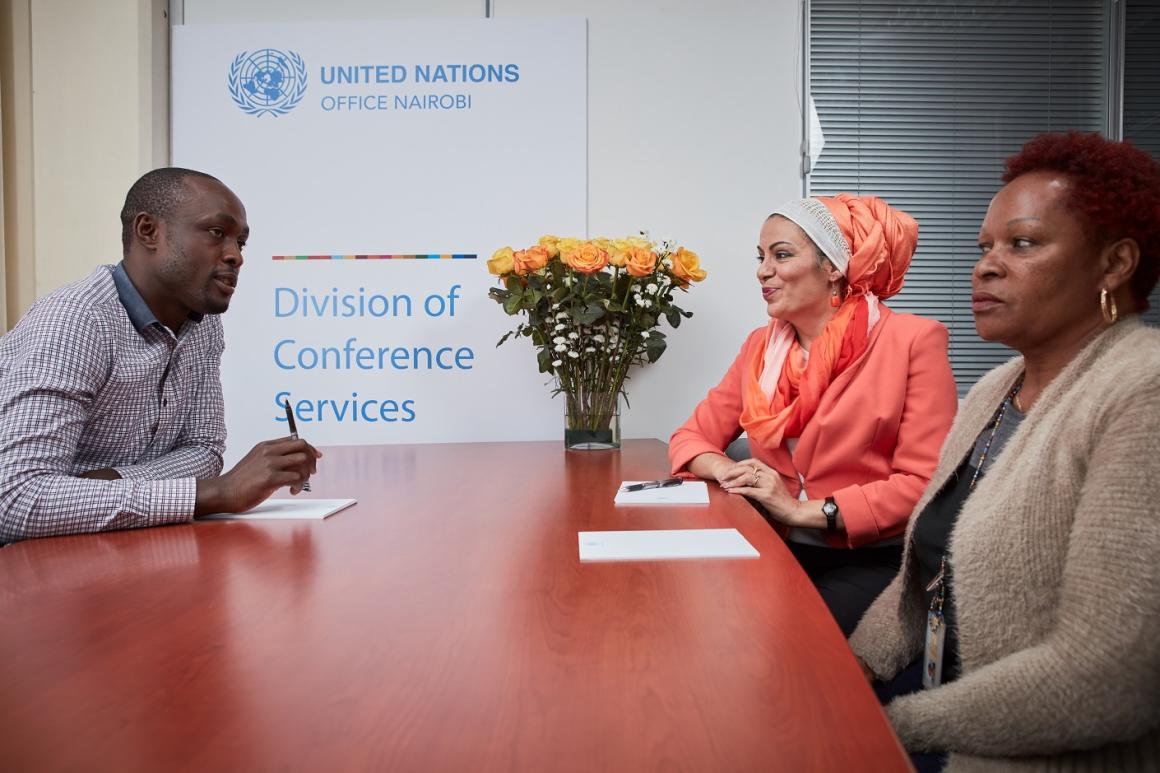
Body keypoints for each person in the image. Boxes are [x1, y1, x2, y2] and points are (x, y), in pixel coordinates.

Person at [850, 131, 1160, 770]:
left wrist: (888, 726)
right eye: (983, 247)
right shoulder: (996, 386)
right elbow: (922, 586)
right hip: (947, 719)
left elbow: (1110, 680)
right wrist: (846, 675)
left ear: (1114, 264)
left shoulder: (1142, 390)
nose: (985, 266)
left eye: (1023, 244)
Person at [669, 194, 958, 634]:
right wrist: (734, 473)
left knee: (788, 639)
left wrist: (802, 511)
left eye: (781, 255)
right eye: (761, 256)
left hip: (873, 559)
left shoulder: (913, 341)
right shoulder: (759, 348)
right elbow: (690, 438)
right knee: (694, 616)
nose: (763, 270)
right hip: (774, 543)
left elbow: (923, 483)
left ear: (834, 268)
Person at [0, 167, 320, 543]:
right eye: (217, 233)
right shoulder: (75, 321)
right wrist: (215, 492)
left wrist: (111, 481)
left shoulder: (202, 325)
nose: (235, 256)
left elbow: (203, 451)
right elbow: (16, 501)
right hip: (32, 571)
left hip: (112, 548)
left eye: (241, 243)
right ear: (148, 231)